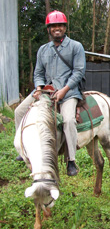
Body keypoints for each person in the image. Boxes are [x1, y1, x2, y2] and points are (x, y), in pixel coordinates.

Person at [15, 10, 86, 176]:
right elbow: (38, 72)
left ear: (65, 27)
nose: (57, 28)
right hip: (46, 91)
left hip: (68, 92)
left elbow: (78, 72)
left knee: (68, 120)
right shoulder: (43, 50)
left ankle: (71, 160)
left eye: (60, 25)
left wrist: (64, 90)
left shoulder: (76, 47)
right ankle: (23, 150)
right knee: (19, 111)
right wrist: (39, 88)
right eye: (53, 26)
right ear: (49, 29)